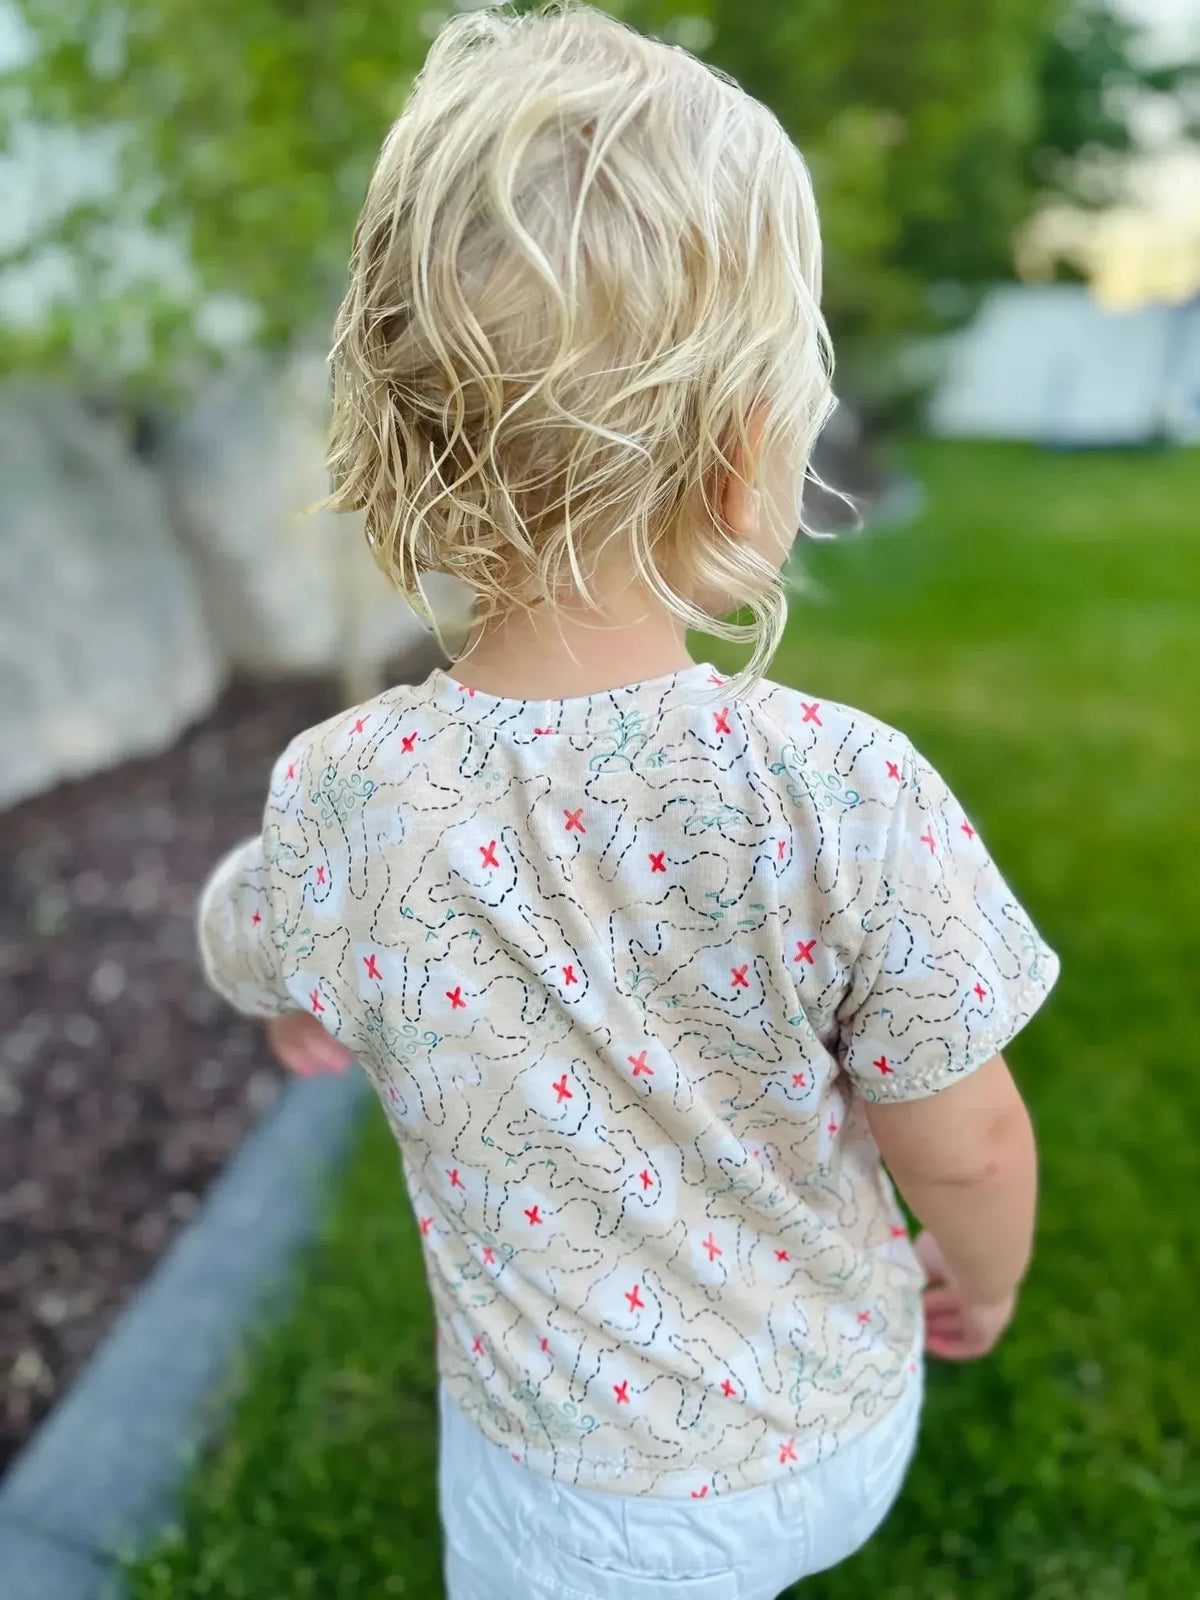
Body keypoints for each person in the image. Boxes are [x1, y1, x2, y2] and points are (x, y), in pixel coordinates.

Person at [197, 7, 1058, 1596]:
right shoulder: (843, 791)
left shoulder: (344, 800)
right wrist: (983, 1285)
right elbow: (974, 1137)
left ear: (402, 434)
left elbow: (252, 936)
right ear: (751, 459)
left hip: (568, 1498)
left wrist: (286, 1000)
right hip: (835, 1422)